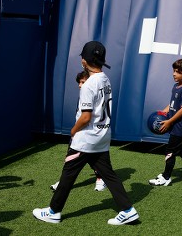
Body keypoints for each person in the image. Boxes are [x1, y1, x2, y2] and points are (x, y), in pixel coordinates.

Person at [33, 41, 139, 225]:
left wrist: (73, 131)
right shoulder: (105, 79)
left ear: (84, 61)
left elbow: (85, 117)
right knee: (109, 175)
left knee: (68, 174)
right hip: (102, 136)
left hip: (86, 139)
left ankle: (53, 212)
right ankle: (128, 210)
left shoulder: (89, 84)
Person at [148, 58, 182, 186]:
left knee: (170, 152)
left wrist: (169, 122)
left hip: (181, 127)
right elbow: (173, 104)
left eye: (178, 72)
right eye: (174, 71)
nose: (174, 74)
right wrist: (163, 113)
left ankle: (166, 177)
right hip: (176, 126)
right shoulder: (176, 86)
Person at [50, 70, 107, 192]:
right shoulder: (85, 93)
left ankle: (101, 178)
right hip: (83, 133)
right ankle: (65, 181)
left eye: (82, 82)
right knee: (81, 158)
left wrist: (73, 130)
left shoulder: (94, 92)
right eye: (79, 82)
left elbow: (87, 117)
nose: (80, 85)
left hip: (89, 134)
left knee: (89, 159)